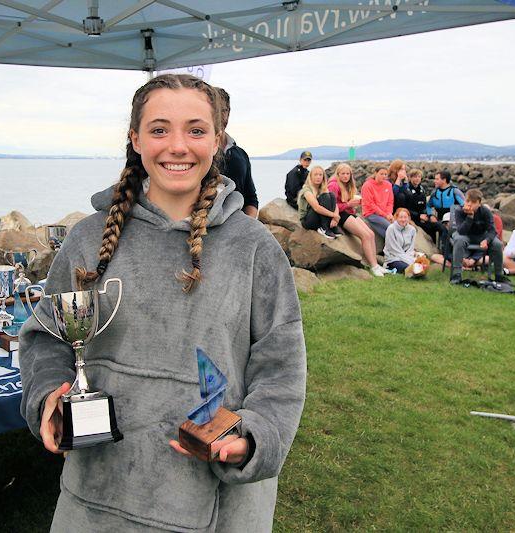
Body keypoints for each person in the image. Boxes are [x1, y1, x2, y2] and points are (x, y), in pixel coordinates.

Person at [18, 74, 306, 532]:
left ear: (218, 140)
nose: (178, 146)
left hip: (216, 504)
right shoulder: (88, 238)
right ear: (135, 140)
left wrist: (255, 437)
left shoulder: (255, 248)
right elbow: (45, 339)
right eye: (158, 129)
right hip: (98, 497)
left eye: (195, 130)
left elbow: (281, 368)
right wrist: (47, 395)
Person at [327, 163, 388, 276]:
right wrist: (348, 204)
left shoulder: (347, 185)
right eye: (343, 174)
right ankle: (374, 266)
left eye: (348, 174)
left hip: (348, 212)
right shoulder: (333, 185)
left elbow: (346, 203)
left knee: (370, 234)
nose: (345, 176)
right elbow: (332, 206)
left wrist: (353, 205)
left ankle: (375, 264)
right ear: (338, 174)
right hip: (339, 215)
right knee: (364, 236)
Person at [450, 188, 508, 285]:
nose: (469, 204)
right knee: (459, 240)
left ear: (479, 203)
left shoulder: (485, 211)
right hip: (465, 234)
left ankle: (499, 275)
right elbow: (461, 231)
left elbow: (492, 230)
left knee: (497, 244)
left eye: (473, 202)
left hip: (481, 235)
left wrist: (487, 240)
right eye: (467, 201)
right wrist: (470, 217)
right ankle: (457, 275)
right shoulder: (459, 210)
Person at [217, 87, 259, 218]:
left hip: (238, 229)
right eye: (214, 110)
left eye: (223, 110)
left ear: (228, 112)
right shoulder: (196, 154)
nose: (219, 116)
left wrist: (247, 225)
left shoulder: (240, 154)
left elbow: (251, 198)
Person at [299, 165, 341, 239]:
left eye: (320, 175)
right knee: (324, 197)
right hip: (308, 221)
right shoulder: (306, 190)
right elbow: (316, 208)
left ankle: (332, 227)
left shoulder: (323, 188)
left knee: (331, 195)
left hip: (319, 217)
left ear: (323, 177)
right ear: (311, 176)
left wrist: (335, 218)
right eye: (315, 175)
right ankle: (324, 228)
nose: (318, 177)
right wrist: (334, 215)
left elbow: (335, 204)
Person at [426, 170, 465, 245]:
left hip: (453, 220)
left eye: (437, 179)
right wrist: (431, 215)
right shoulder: (434, 193)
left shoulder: (455, 191)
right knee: (431, 226)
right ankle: (435, 248)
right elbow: (428, 206)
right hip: (440, 220)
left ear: (444, 180)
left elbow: (464, 205)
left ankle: (446, 251)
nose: (434, 181)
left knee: (445, 228)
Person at [403, 169, 440, 242]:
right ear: (410, 178)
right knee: (429, 228)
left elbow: (424, 205)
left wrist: (427, 215)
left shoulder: (421, 189)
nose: (417, 179)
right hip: (413, 217)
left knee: (437, 226)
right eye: (415, 177)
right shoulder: (406, 190)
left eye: (419, 177)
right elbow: (406, 208)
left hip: (422, 216)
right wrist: (418, 216)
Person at [361, 165, 394, 238]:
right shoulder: (367, 185)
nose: (384, 176)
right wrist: (385, 215)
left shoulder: (388, 185)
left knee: (394, 229)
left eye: (385, 174)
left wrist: (389, 213)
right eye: (381, 174)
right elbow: (370, 204)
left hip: (385, 214)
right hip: (371, 214)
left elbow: (390, 201)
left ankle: (399, 247)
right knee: (391, 227)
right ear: (375, 173)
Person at [383, 208, 417, 273]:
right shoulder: (391, 229)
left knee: (421, 263)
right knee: (407, 268)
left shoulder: (412, 230)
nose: (403, 220)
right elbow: (393, 250)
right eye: (401, 217)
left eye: (405, 217)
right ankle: (389, 267)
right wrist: (410, 261)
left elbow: (411, 248)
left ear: (409, 218)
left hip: (407, 256)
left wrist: (410, 258)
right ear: (396, 218)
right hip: (393, 257)